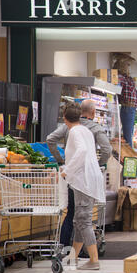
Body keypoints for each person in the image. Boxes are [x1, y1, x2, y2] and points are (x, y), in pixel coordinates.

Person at [47, 99, 112, 254]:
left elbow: (50, 139)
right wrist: (99, 163)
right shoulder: (95, 128)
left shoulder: (68, 127)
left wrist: (60, 161)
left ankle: (64, 249)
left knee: (71, 214)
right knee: (84, 218)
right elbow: (106, 149)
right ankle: (86, 255)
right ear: (93, 112)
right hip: (86, 179)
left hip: (72, 178)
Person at [60, 102, 105, 270]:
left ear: (64, 118)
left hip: (83, 180)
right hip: (89, 179)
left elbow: (81, 152)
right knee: (79, 219)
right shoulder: (85, 130)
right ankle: (73, 257)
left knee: (84, 221)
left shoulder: (74, 132)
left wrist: (67, 171)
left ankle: (94, 260)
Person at [112, 52, 137, 147]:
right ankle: (129, 155)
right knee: (128, 134)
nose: (128, 67)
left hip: (130, 108)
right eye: (127, 65)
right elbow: (116, 88)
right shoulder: (121, 78)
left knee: (128, 133)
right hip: (127, 107)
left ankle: (128, 152)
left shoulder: (126, 78)